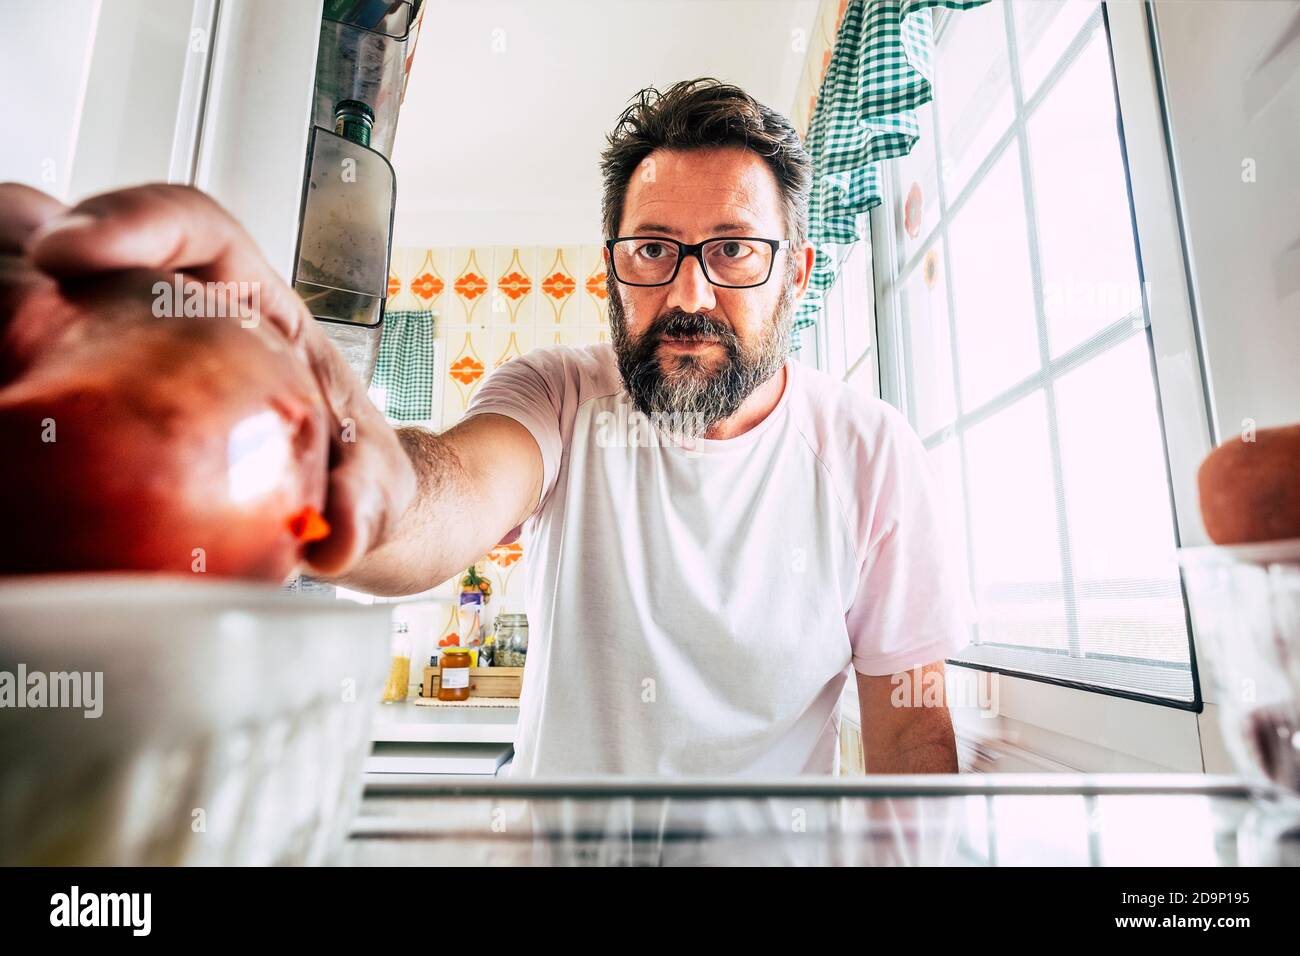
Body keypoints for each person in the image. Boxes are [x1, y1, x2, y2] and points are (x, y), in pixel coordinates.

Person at [2, 78, 974, 777]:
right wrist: (334, 435)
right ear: (611, 268)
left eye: (732, 252)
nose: (689, 291)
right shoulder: (558, 392)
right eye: (651, 250)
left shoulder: (870, 454)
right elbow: (444, 492)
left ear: (796, 272)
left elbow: (910, 740)